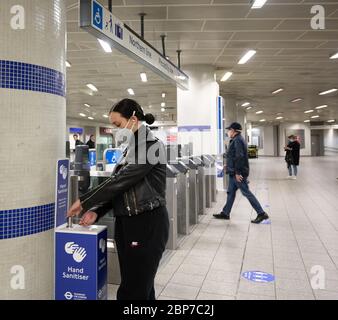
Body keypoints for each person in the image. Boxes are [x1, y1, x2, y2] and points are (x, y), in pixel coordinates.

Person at [67, 98, 169, 300]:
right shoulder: (131, 148)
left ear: (133, 119)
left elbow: (121, 180)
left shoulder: (151, 147)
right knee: (141, 287)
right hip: (128, 224)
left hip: (146, 224)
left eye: (117, 125)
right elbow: (120, 188)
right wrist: (97, 211)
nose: (115, 130)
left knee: (133, 291)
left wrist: (85, 201)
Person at [213, 122, 269, 224]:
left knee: (246, 193)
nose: (228, 132)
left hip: (237, 173)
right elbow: (233, 156)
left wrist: (238, 173)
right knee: (230, 193)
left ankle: (261, 213)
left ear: (234, 131)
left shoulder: (238, 140)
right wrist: (228, 166)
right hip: (233, 171)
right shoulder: (235, 140)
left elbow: (239, 157)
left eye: (229, 130)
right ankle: (225, 213)